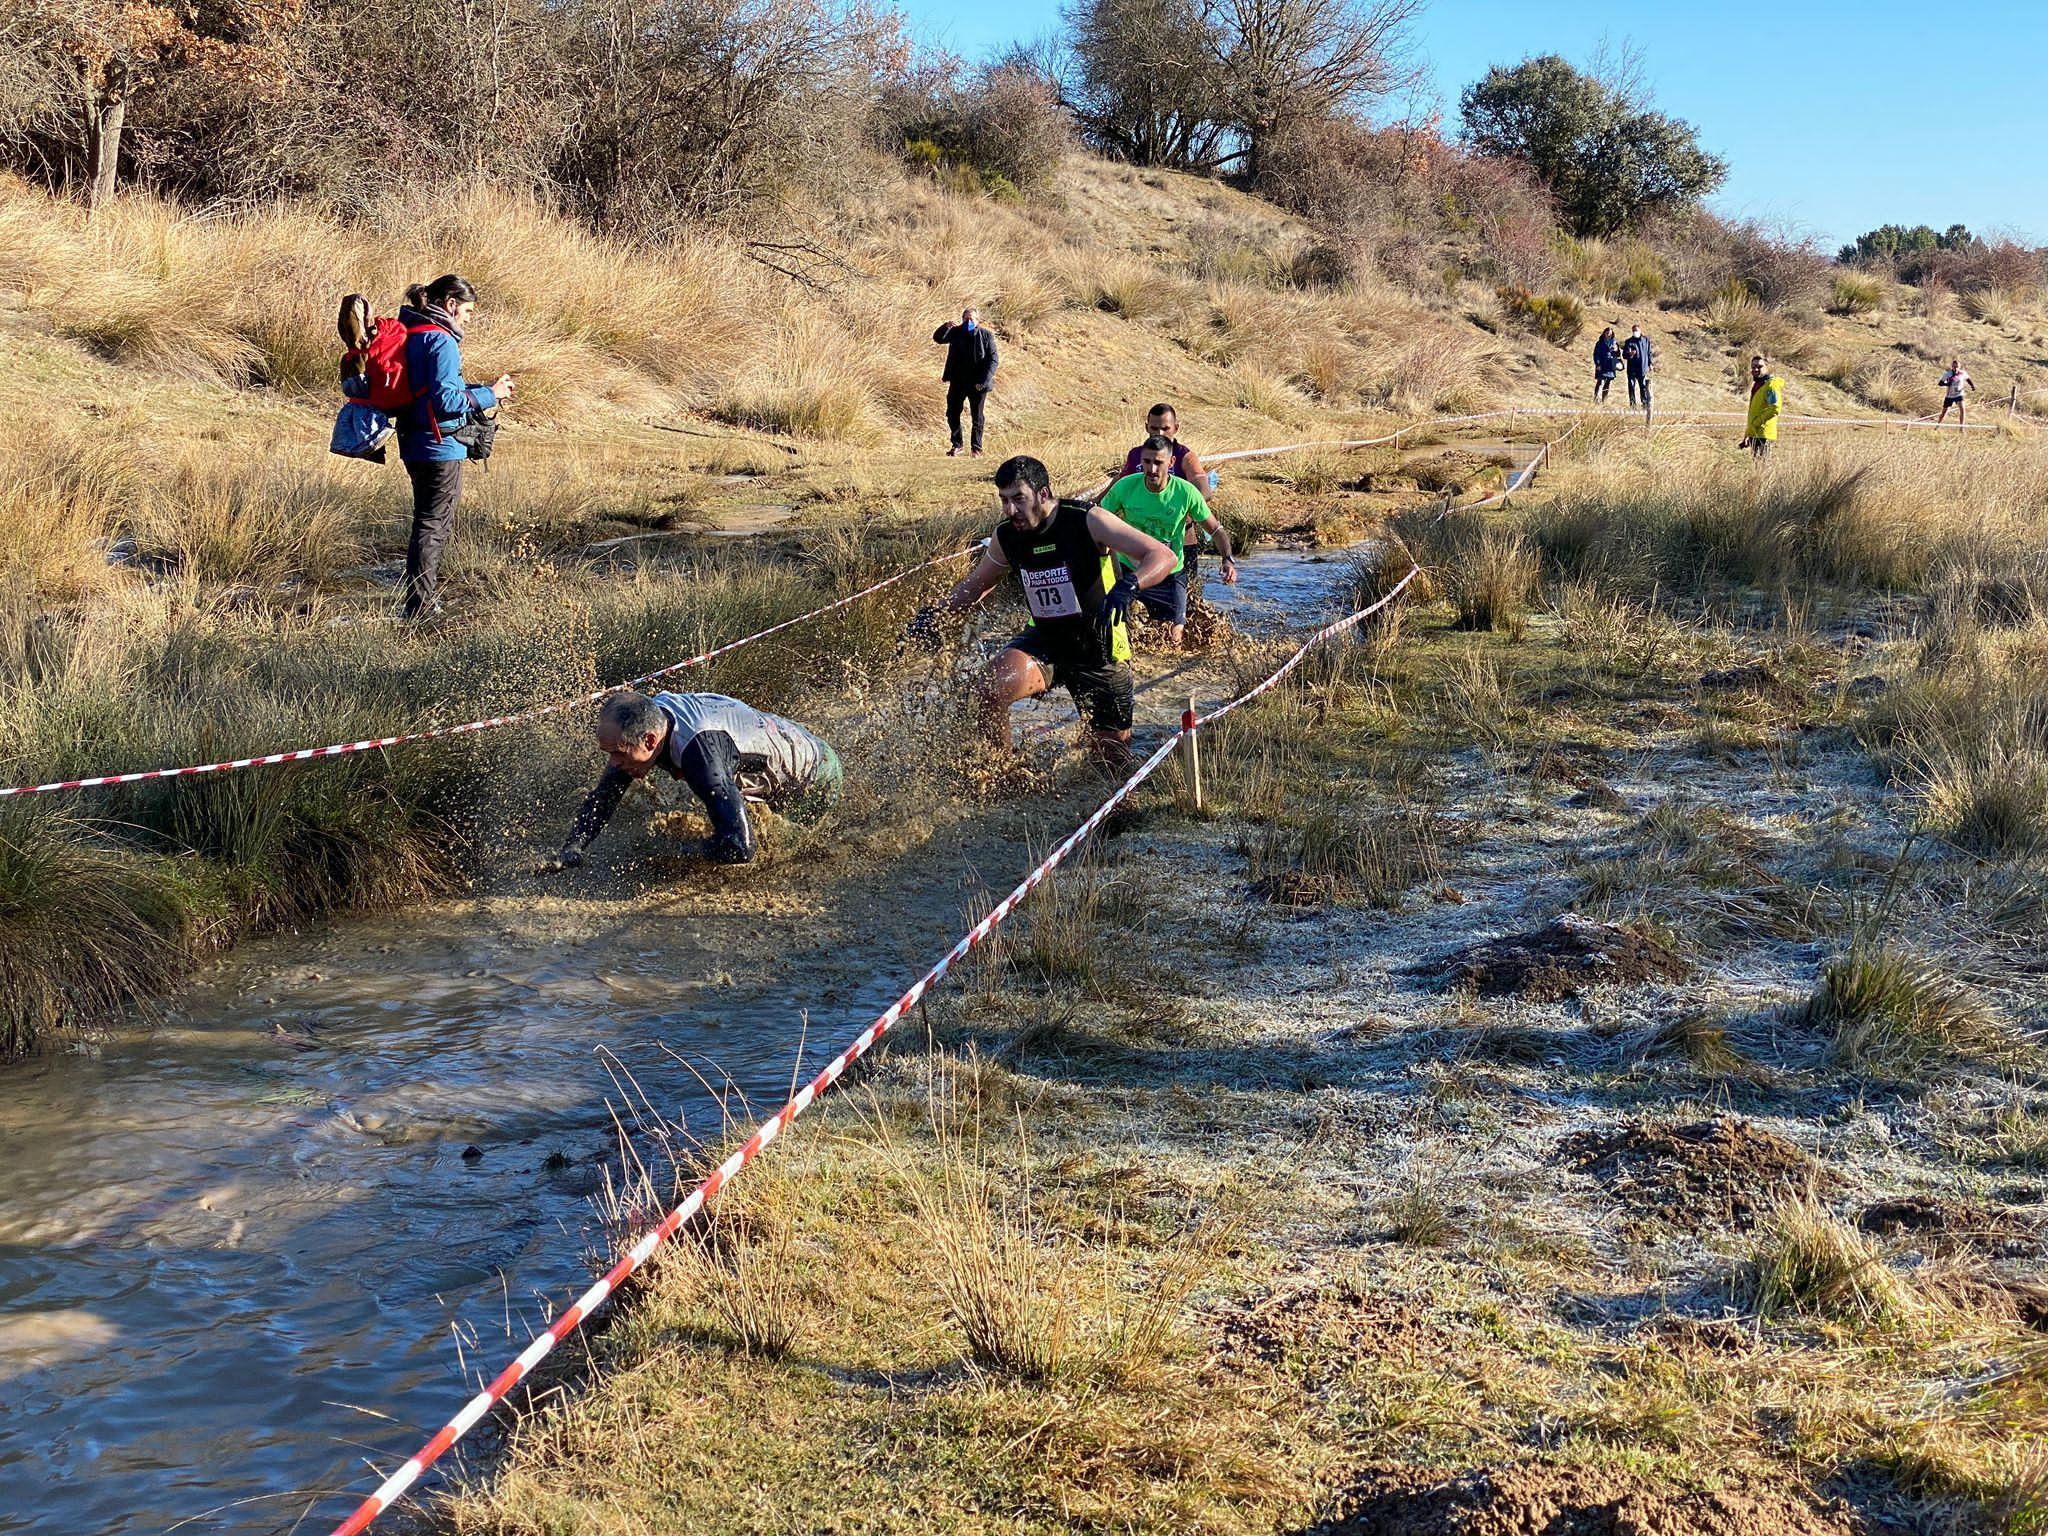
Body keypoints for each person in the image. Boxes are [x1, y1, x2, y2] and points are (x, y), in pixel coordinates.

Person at [913, 455, 1176, 756]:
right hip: (1046, 640)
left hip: (1099, 647)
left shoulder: (1087, 520)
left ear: (1043, 494)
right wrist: (934, 615)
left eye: (1018, 499)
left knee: (1111, 764)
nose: (1011, 510)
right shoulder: (1007, 537)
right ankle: (1006, 778)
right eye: (1004, 500)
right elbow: (978, 584)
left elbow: (1162, 556)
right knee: (989, 688)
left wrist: (1129, 587)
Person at [548, 691, 842, 869]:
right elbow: (605, 796)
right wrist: (572, 848)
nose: (613, 763)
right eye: (608, 753)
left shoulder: (701, 757)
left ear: (650, 740)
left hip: (815, 777)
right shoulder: (651, 720)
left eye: (618, 754)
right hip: (781, 737)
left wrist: (670, 852)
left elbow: (741, 848)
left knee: (783, 855)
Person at [394, 275, 512, 621]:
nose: (470, 318)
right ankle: (420, 609)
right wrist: (492, 394)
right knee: (434, 527)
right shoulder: (442, 341)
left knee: (424, 524)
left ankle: (419, 602)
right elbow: (445, 401)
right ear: (450, 305)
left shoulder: (410, 333)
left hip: (412, 441)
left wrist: (480, 388)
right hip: (440, 447)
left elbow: (427, 390)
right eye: (468, 310)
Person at [1098, 435, 1237, 645]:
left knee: (1174, 638)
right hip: (1129, 570)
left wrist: (1227, 559)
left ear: (1171, 463)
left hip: (1170, 573)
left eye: (1158, 463)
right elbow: (1097, 519)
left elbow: (1215, 529)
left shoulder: (1186, 492)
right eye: (1147, 462)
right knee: (1115, 627)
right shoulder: (1125, 487)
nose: (1152, 469)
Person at [1117, 403, 1214, 579]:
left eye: (1165, 428)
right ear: (1146, 427)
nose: (1159, 433)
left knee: (1190, 601)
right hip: (1140, 543)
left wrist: (1186, 511)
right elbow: (1117, 484)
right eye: (1154, 428)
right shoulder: (1136, 454)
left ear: (1176, 428)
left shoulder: (1185, 456)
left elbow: (1204, 489)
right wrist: (1090, 506)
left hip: (1180, 543)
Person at [932, 306, 998, 457]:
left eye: (972, 319)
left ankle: (976, 448)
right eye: (966, 318)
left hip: (978, 383)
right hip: (958, 381)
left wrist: (983, 380)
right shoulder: (956, 333)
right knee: (952, 413)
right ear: (962, 319)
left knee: (977, 416)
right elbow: (938, 339)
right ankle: (957, 445)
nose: (969, 321)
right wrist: (945, 326)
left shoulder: (986, 335)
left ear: (977, 320)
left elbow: (993, 360)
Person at [1738, 354, 1784, 462]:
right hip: (1755, 433)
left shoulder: (1771, 385)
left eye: (1759, 366)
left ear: (1768, 367)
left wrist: (1756, 423)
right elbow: (1754, 412)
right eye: (1753, 367)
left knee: (1763, 468)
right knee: (1757, 468)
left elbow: (1775, 408)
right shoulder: (1758, 384)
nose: (1755, 369)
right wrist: (1748, 434)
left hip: (1764, 434)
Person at [1622, 324, 1654, 414]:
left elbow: (1649, 353)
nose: (1635, 332)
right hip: (1632, 369)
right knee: (1631, 387)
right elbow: (1624, 355)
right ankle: (1633, 406)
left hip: (1642, 369)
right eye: (1633, 330)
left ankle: (1644, 405)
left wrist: (1650, 364)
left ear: (1640, 330)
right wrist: (1630, 354)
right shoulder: (1629, 342)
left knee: (1643, 387)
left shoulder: (1646, 340)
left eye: (1636, 330)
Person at [1938, 358, 1974, 426]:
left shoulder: (1962, 373)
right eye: (1954, 367)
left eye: (1957, 367)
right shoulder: (1948, 374)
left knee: (1962, 410)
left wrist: (1972, 386)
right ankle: (1937, 426)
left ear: (1959, 367)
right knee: (1944, 413)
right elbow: (1940, 383)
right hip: (1949, 396)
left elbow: (1968, 379)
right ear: (1952, 367)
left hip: (1959, 394)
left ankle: (1961, 428)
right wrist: (1947, 384)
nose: (1955, 368)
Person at [1592, 326, 1619, 404]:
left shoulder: (1614, 343)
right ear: (1604, 333)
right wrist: (1598, 364)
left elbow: (1618, 355)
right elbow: (1596, 354)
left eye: (1610, 334)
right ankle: (1596, 398)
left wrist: (1616, 350)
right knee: (1600, 381)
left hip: (1610, 366)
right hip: (1602, 364)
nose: (1609, 335)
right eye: (1607, 333)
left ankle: (1604, 400)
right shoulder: (1600, 343)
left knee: (1608, 383)